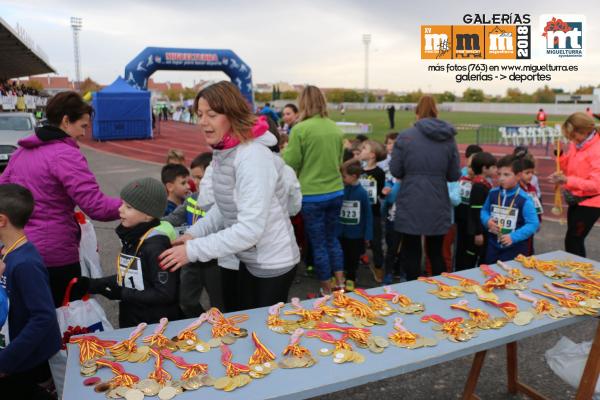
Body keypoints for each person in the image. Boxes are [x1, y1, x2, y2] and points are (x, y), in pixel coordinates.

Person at [159, 81, 299, 310]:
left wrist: (193, 251)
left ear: (232, 115)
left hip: (273, 262)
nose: (203, 122)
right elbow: (225, 208)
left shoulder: (252, 156)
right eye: (200, 114)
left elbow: (250, 230)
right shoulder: (225, 150)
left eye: (211, 114)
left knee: (263, 334)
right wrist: (194, 234)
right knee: (243, 324)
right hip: (251, 259)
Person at [0, 91, 121, 307]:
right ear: (66, 121)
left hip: (18, 251)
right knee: (63, 321)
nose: (84, 133)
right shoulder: (65, 154)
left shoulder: (21, 153)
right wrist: (132, 205)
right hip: (56, 255)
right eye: (83, 126)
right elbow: (97, 207)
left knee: (28, 317)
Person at [76, 178, 181, 327]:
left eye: (128, 207)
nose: (120, 209)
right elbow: (133, 276)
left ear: (148, 215)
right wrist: (96, 284)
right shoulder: (132, 236)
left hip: (154, 328)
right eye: (122, 204)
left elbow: (165, 294)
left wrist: (122, 293)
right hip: (133, 320)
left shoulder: (156, 246)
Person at [0, 184, 61, 399]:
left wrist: (7, 359)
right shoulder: (6, 251)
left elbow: (43, 317)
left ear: (2, 220)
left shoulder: (25, 264)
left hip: (24, 362)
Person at [390, 95, 460, 280]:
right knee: (435, 253)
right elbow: (454, 174)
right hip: (437, 198)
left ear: (417, 112)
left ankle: (413, 293)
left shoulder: (406, 137)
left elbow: (396, 170)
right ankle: (439, 292)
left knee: (411, 251)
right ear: (436, 111)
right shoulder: (448, 139)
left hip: (411, 197)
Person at [282, 85, 344, 295]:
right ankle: (341, 283)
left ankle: (327, 290)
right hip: (336, 190)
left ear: (303, 103)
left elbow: (290, 162)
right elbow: (339, 159)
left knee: (318, 244)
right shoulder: (334, 127)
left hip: (312, 194)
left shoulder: (301, 129)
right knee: (332, 239)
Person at [162, 153, 223, 317]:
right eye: (193, 177)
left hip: (214, 261)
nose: (194, 182)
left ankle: (220, 328)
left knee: (220, 304)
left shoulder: (223, 202)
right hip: (190, 258)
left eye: (199, 177)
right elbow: (173, 218)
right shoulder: (192, 199)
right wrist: (149, 224)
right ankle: (202, 321)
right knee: (187, 301)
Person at [549, 112, 600, 257]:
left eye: (573, 136)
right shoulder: (576, 144)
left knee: (574, 240)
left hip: (592, 202)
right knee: (573, 240)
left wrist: (567, 180)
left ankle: (580, 274)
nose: (571, 139)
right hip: (576, 198)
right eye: (569, 137)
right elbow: (568, 169)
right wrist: (560, 156)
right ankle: (577, 271)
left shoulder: (597, 150)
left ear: (584, 131)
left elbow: (596, 185)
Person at [481, 155, 539, 263]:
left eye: (506, 174)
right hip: (493, 246)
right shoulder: (493, 193)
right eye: (499, 174)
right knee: (492, 276)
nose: (501, 178)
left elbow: (533, 224)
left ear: (518, 176)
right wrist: (487, 221)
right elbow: (484, 211)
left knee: (512, 278)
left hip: (515, 249)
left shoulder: (525, 199)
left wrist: (513, 237)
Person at [337, 160, 373, 292]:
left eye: (344, 176)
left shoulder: (362, 193)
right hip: (340, 231)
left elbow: (368, 215)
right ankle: (339, 278)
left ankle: (351, 278)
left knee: (353, 257)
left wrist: (368, 235)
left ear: (353, 177)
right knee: (340, 255)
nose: (342, 178)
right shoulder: (341, 189)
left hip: (356, 234)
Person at [358, 140, 387, 282]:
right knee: (355, 240)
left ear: (372, 155)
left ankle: (378, 267)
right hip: (359, 211)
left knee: (376, 241)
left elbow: (380, 194)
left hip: (373, 212)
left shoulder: (379, 173)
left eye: (364, 148)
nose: (361, 150)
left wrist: (385, 193)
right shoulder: (359, 170)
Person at [462, 152, 497, 269]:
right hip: (478, 231)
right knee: (472, 257)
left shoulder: (483, 183)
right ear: (484, 168)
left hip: (482, 228)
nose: (496, 170)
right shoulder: (479, 186)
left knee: (480, 255)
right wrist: (478, 233)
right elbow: (475, 211)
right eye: (493, 167)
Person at [455, 144, 483, 270]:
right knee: (460, 247)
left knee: (472, 250)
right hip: (461, 218)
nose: (470, 169)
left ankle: (470, 270)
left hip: (475, 223)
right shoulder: (461, 176)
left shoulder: (482, 183)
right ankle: (459, 270)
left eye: (473, 166)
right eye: (469, 165)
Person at [517, 153, 542, 255]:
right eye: (527, 173)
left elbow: (537, 206)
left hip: (530, 225)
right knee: (520, 250)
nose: (531, 175)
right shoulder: (516, 189)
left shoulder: (532, 188)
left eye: (532, 172)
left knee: (529, 249)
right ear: (518, 174)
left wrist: (538, 220)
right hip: (520, 226)